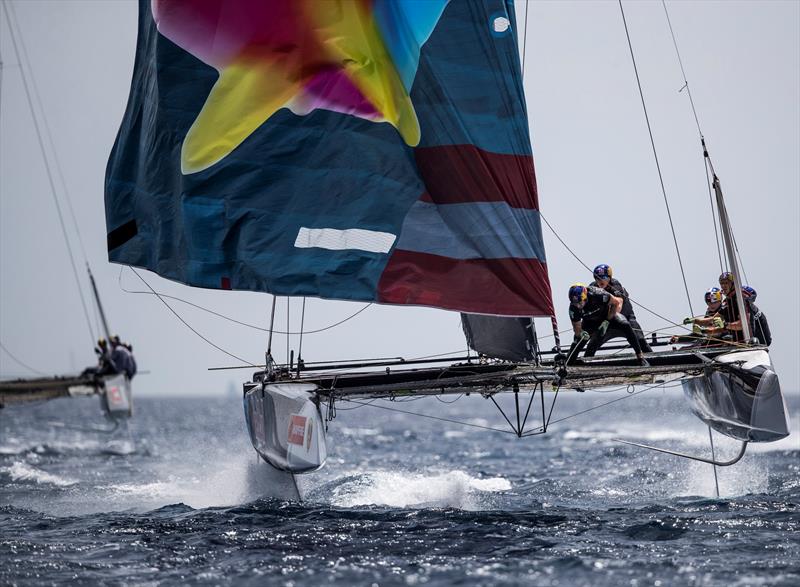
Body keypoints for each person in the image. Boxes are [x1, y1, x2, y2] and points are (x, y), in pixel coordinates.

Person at [566, 283, 649, 366]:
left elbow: (615, 303)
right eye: (575, 304)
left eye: (580, 303)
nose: (578, 306)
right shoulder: (573, 309)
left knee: (626, 325)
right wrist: (581, 333)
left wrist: (607, 320)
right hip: (589, 322)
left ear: (585, 297)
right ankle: (568, 364)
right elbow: (576, 328)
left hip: (607, 315)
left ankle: (640, 357)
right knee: (577, 342)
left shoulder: (598, 294)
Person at [590, 264, 652, 353]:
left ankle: (654, 359)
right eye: (597, 278)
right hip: (606, 321)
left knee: (641, 340)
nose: (601, 281)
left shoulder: (615, 285)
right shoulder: (593, 288)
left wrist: (613, 319)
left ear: (610, 278)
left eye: (604, 278)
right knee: (592, 344)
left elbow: (618, 304)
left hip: (626, 318)